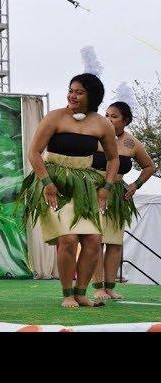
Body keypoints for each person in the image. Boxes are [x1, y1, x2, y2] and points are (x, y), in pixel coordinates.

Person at [18, 73, 119, 308]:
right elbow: (34, 153)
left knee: (93, 239)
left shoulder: (102, 124)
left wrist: (107, 186)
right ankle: (67, 294)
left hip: (85, 185)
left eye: (79, 92)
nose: (72, 95)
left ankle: (81, 292)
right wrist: (46, 183)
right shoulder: (55, 117)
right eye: (71, 90)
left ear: (92, 97)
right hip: (55, 184)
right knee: (69, 238)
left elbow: (113, 159)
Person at [91, 101, 155, 300]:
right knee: (96, 241)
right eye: (107, 115)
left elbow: (149, 167)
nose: (109, 119)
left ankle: (110, 287)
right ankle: (97, 287)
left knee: (115, 242)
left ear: (125, 121)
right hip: (94, 190)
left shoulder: (132, 143)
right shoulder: (95, 137)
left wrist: (136, 185)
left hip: (117, 193)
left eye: (114, 116)